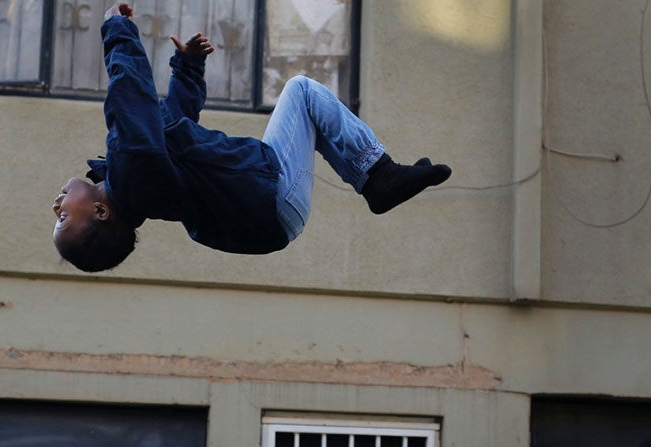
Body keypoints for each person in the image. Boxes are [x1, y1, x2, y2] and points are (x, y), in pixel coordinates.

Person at [52, 2, 451, 272]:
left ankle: (375, 179)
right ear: (101, 213)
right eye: (64, 216)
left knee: (303, 103)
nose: (57, 204)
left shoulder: (142, 177)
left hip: (272, 216)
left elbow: (174, 123)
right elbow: (131, 90)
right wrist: (118, 29)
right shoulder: (131, 169)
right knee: (302, 91)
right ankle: (377, 177)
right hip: (270, 200)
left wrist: (188, 67)